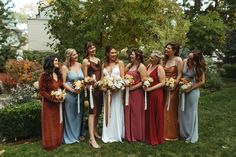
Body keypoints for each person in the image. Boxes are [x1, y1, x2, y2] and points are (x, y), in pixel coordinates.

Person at [179, 49, 205, 143]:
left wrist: (190, 88)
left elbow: (202, 81)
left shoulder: (199, 66)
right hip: (183, 89)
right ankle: (183, 133)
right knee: (182, 111)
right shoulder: (185, 61)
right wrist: (182, 82)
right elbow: (181, 74)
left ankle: (190, 135)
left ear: (196, 59)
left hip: (193, 91)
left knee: (190, 113)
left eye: (191, 58)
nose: (188, 59)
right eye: (188, 57)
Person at [61, 48, 86, 144]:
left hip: (80, 93)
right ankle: (71, 136)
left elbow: (84, 79)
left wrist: (82, 86)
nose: (76, 56)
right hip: (70, 95)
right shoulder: (65, 67)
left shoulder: (80, 65)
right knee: (70, 115)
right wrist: (72, 90)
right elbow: (63, 83)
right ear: (69, 57)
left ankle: (79, 133)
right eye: (74, 55)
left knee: (79, 114)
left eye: (76, 54)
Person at [39, 55, 63, 150]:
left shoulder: (58, 74)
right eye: (56, 61)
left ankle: (57, 141)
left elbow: (60, 87)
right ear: (50, 62)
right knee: (49, 123)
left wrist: (61, 95)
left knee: (57, 122)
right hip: (48, 104)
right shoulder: (44, 76)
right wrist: (52, 98)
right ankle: (49, 144)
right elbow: (42, 91)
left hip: (58, 103)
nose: (57, 62)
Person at [101, 45, 125, 143]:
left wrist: (117, 87)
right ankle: (107, 133)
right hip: (106, 92)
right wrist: (103, 87)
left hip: (117, 92)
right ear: (107, 54)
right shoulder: (104, 64)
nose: (114, 54)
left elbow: (123, 78)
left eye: (115, 52)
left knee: (116, 110)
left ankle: (116, 134)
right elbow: (102, 79)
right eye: (112, 53)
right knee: (108, 111)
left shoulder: (120, 63)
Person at [82, 42, 103, 148]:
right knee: (92, 112)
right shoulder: (86, 61)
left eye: (94, 47)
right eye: (90, 47)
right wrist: (90, 82)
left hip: (100, 89)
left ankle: (94, 131)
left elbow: (102, 75)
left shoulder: (99, 60)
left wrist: (103, 83)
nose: (93, 49)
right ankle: (91, 138)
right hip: (92, 90)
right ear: (87, 50)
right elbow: (85, 77)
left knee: (98, 111)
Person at [124, 48, 147, 142]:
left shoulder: (141, 67)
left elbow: (143, 81)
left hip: (137, 93)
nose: (130, 56)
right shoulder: (129, 65)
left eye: (132, 54)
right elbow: (123, 75)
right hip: (127, 93)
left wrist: (133, 88)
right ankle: (128, 134)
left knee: (136, 114)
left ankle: (137, 135)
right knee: (128, 111)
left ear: (137, 56)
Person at [145, 51, 166, 145]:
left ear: (157, 59)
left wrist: (150, 89)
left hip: (157, 94)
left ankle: (157, 136)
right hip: (148, 94)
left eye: (152, 58)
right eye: (150, 57)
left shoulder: (160, 68)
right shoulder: (148, 66)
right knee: (149, 114)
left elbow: (163, 83)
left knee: (157, 114)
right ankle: (149, 134)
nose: (150, 59)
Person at [163, 42, 183, 141]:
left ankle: (171, 134)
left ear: (174, 50)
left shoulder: (178, 60)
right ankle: (162, 132)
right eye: (166, 48)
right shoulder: (165, 60)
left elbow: (179, 74)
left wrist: (174, 84)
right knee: (163, 108)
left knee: (170, 109)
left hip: (173, 88)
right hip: (164, 87)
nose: (166, 49)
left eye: (168, 48)